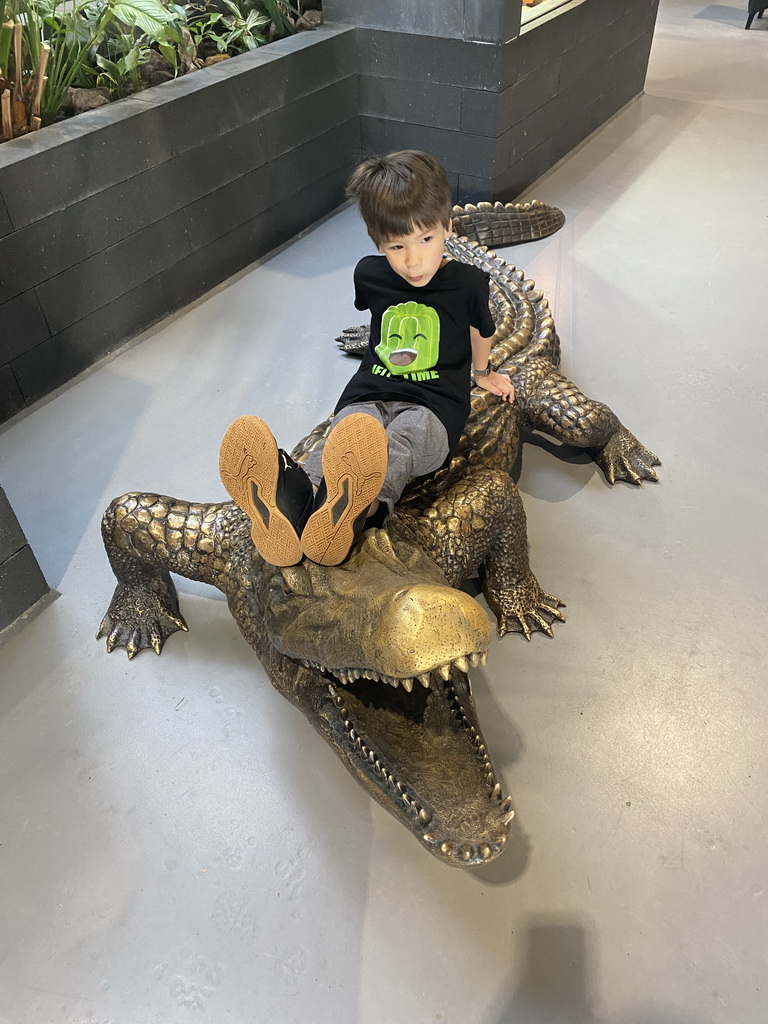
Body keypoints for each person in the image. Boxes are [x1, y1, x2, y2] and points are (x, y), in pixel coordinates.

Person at [219, 149, 515, 568]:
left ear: (447, 226)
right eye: (396, 246)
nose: (413, 260)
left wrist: (482, 372)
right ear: (378, 243)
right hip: (368, 390)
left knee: (399, 444)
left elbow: (480, 330)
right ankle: (292, 498)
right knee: (346, 435)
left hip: (435, 405)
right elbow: (381, 322)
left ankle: (358, 510)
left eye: (425, 239)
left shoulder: (469, 283)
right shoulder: (370, 273)